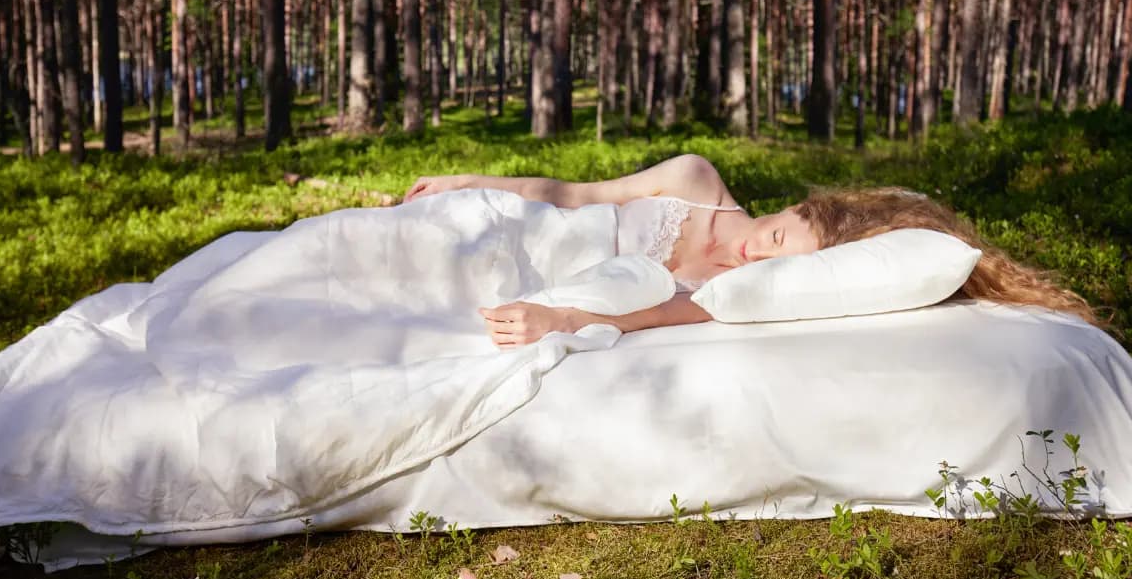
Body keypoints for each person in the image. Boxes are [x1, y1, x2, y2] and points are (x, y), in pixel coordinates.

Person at [404, 154, 1099, 347]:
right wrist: (466, 181)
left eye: (775, 260)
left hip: (504, 291)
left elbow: (653, 315)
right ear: (789, 208)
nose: (751, 256)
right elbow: (568, 193)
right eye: (771, 236)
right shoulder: (696, 180)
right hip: (491, 228)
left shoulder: (741, 294)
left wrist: (562, 322)